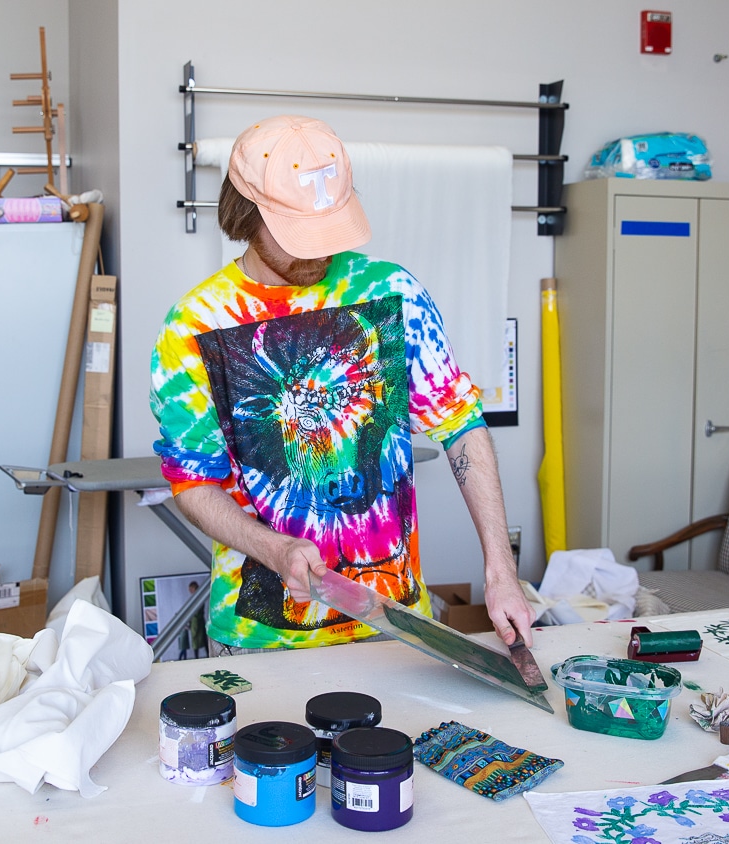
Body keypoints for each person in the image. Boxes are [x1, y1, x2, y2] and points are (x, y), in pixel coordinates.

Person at [149, 115, 534, 653]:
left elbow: (461, 425)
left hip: (396, 627)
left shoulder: (389, 292)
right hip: (259, 640)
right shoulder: (193, 326)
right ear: (245, 213)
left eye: (327, 230)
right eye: (297, 236)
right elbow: (194, 484)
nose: (316, 253)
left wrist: (500, 569)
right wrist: (274, 548)